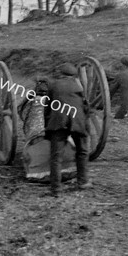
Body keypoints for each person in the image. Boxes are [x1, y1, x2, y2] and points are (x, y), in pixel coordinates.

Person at [44, 63, 92, 197]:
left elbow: (47, 107)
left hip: (58, 122)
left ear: (61, 74)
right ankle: (82, 182)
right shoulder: (79, 85)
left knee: (56, 157)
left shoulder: (53, 85)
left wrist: (47, 124)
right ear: (73, 75)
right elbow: (86, 106)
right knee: (82, 152)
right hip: (78, 121)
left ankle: (56, 189)